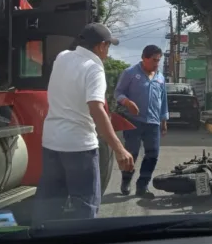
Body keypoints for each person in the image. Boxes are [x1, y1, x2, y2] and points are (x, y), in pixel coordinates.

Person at [32, 23, 135, 223]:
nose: (107, 52)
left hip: (52, 142)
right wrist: (119, 148)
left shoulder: (62, 57)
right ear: (101, 46)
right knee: (85, 205)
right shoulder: (94, 69)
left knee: (49, 203)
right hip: (79, 147)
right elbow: (97, 108)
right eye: (108, 46)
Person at [114, 45, 168, 199]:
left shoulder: (160, 77)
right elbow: (118, 92)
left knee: (152, 155)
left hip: (153, 122)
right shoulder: (130, 73)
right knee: (132, 154)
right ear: (144, 58)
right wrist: (127, 102)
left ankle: (142, 186)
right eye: (153, 60)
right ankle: (126, 181)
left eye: (158, 60)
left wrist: (164, 120)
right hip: (133, 121)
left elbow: (163, 100)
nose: (156, 64)